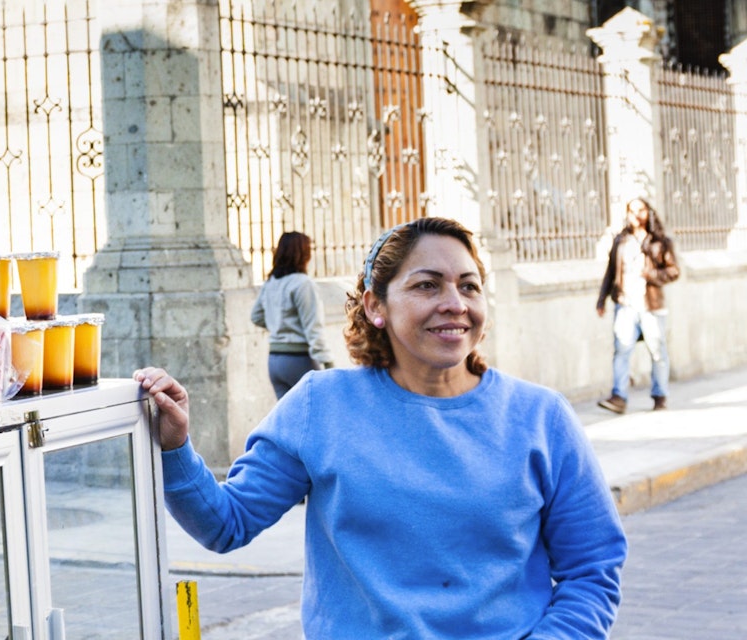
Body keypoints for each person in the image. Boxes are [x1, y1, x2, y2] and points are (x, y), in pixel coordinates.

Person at [135, 217, 624, 638]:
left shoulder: (542, 418)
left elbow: (592, 570)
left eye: (469, 285)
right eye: (427, 285)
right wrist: (175, 446)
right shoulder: (319, 406)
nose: (454, 302)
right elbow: (225, 523)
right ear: (375, 306)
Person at [595, 198, 679, 413]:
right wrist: (602, 299)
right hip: (626, 304)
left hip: (651, 305)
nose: (636, 215)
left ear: (648, 212)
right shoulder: (621, 241)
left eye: (640, 210)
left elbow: (673, 271)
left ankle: (660, 396)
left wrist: (649, 273)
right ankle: (619, 397)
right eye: (632, 211)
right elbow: (610, 272)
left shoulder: (660, 241)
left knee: (657, 351)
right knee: (621, 349)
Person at [250, 231, 334, 398]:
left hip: (274, 361)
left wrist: (279, 324)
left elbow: (256, 316)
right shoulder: (303, 284)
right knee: (319, 412)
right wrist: (328, 363)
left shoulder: (271, 282)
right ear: (303, 254)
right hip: (299, 359)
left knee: (290, 419)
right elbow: (313, 328)